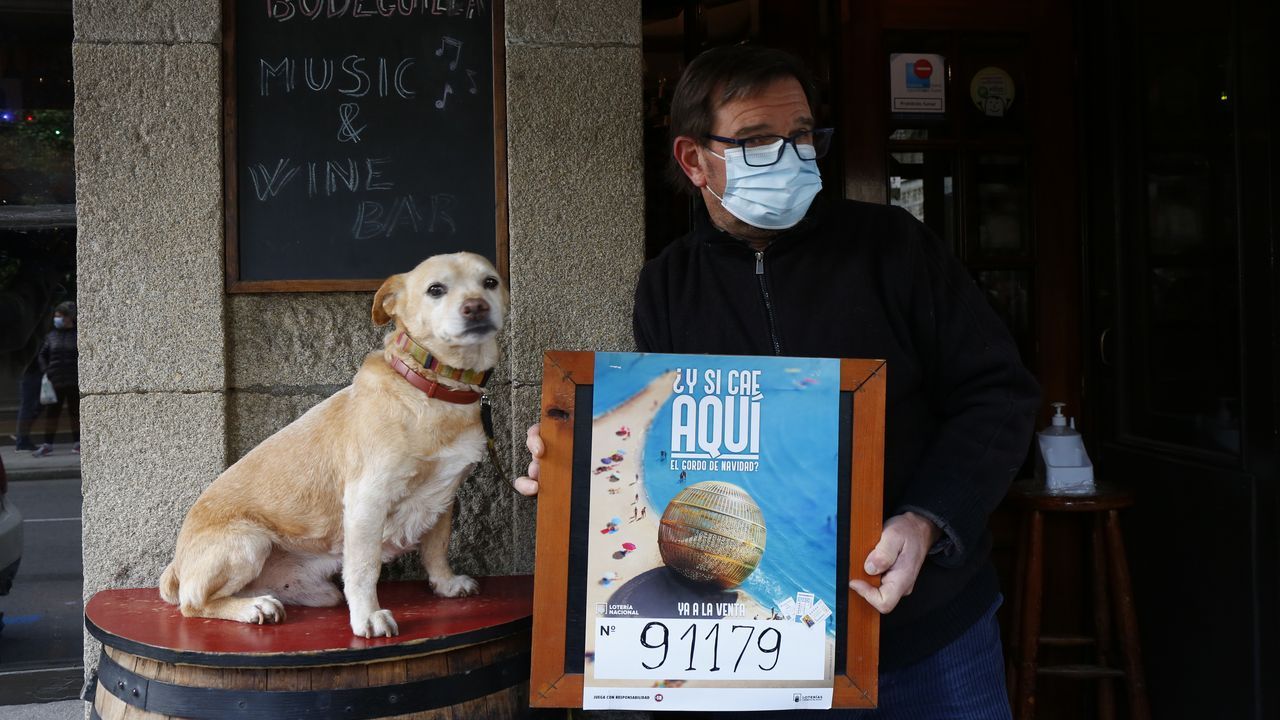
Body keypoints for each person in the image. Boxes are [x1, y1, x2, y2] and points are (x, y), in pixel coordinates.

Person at [514, 45, 1039, 719]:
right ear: (693, 160)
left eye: (800, 136)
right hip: (766, 640)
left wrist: (928, 520)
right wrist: (577, 450)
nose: (790, 157)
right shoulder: (668, 285)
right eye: (759, 141)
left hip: (926, 628)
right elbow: (677, 441)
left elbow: (997, 391)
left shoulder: (893, 248)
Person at [32, 301, 80, 457]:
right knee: (52, 414)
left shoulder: (78, 335)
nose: (56, 319)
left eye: (60, 316)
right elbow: (42, 355)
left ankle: (78, 443)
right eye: (56, 316)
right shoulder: (51, 336)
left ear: (69, 318)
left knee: (76, 413)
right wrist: (46, 371)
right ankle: (47, 444)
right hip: (55, 380)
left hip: (74, 380)